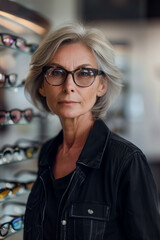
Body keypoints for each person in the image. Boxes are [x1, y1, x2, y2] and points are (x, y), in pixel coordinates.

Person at [23, 23, 160, 240]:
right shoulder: (48, 153)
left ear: (101, 86)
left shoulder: (126, 161)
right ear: (42, 85)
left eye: (84, 73)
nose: (69, 86)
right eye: (57, 72)